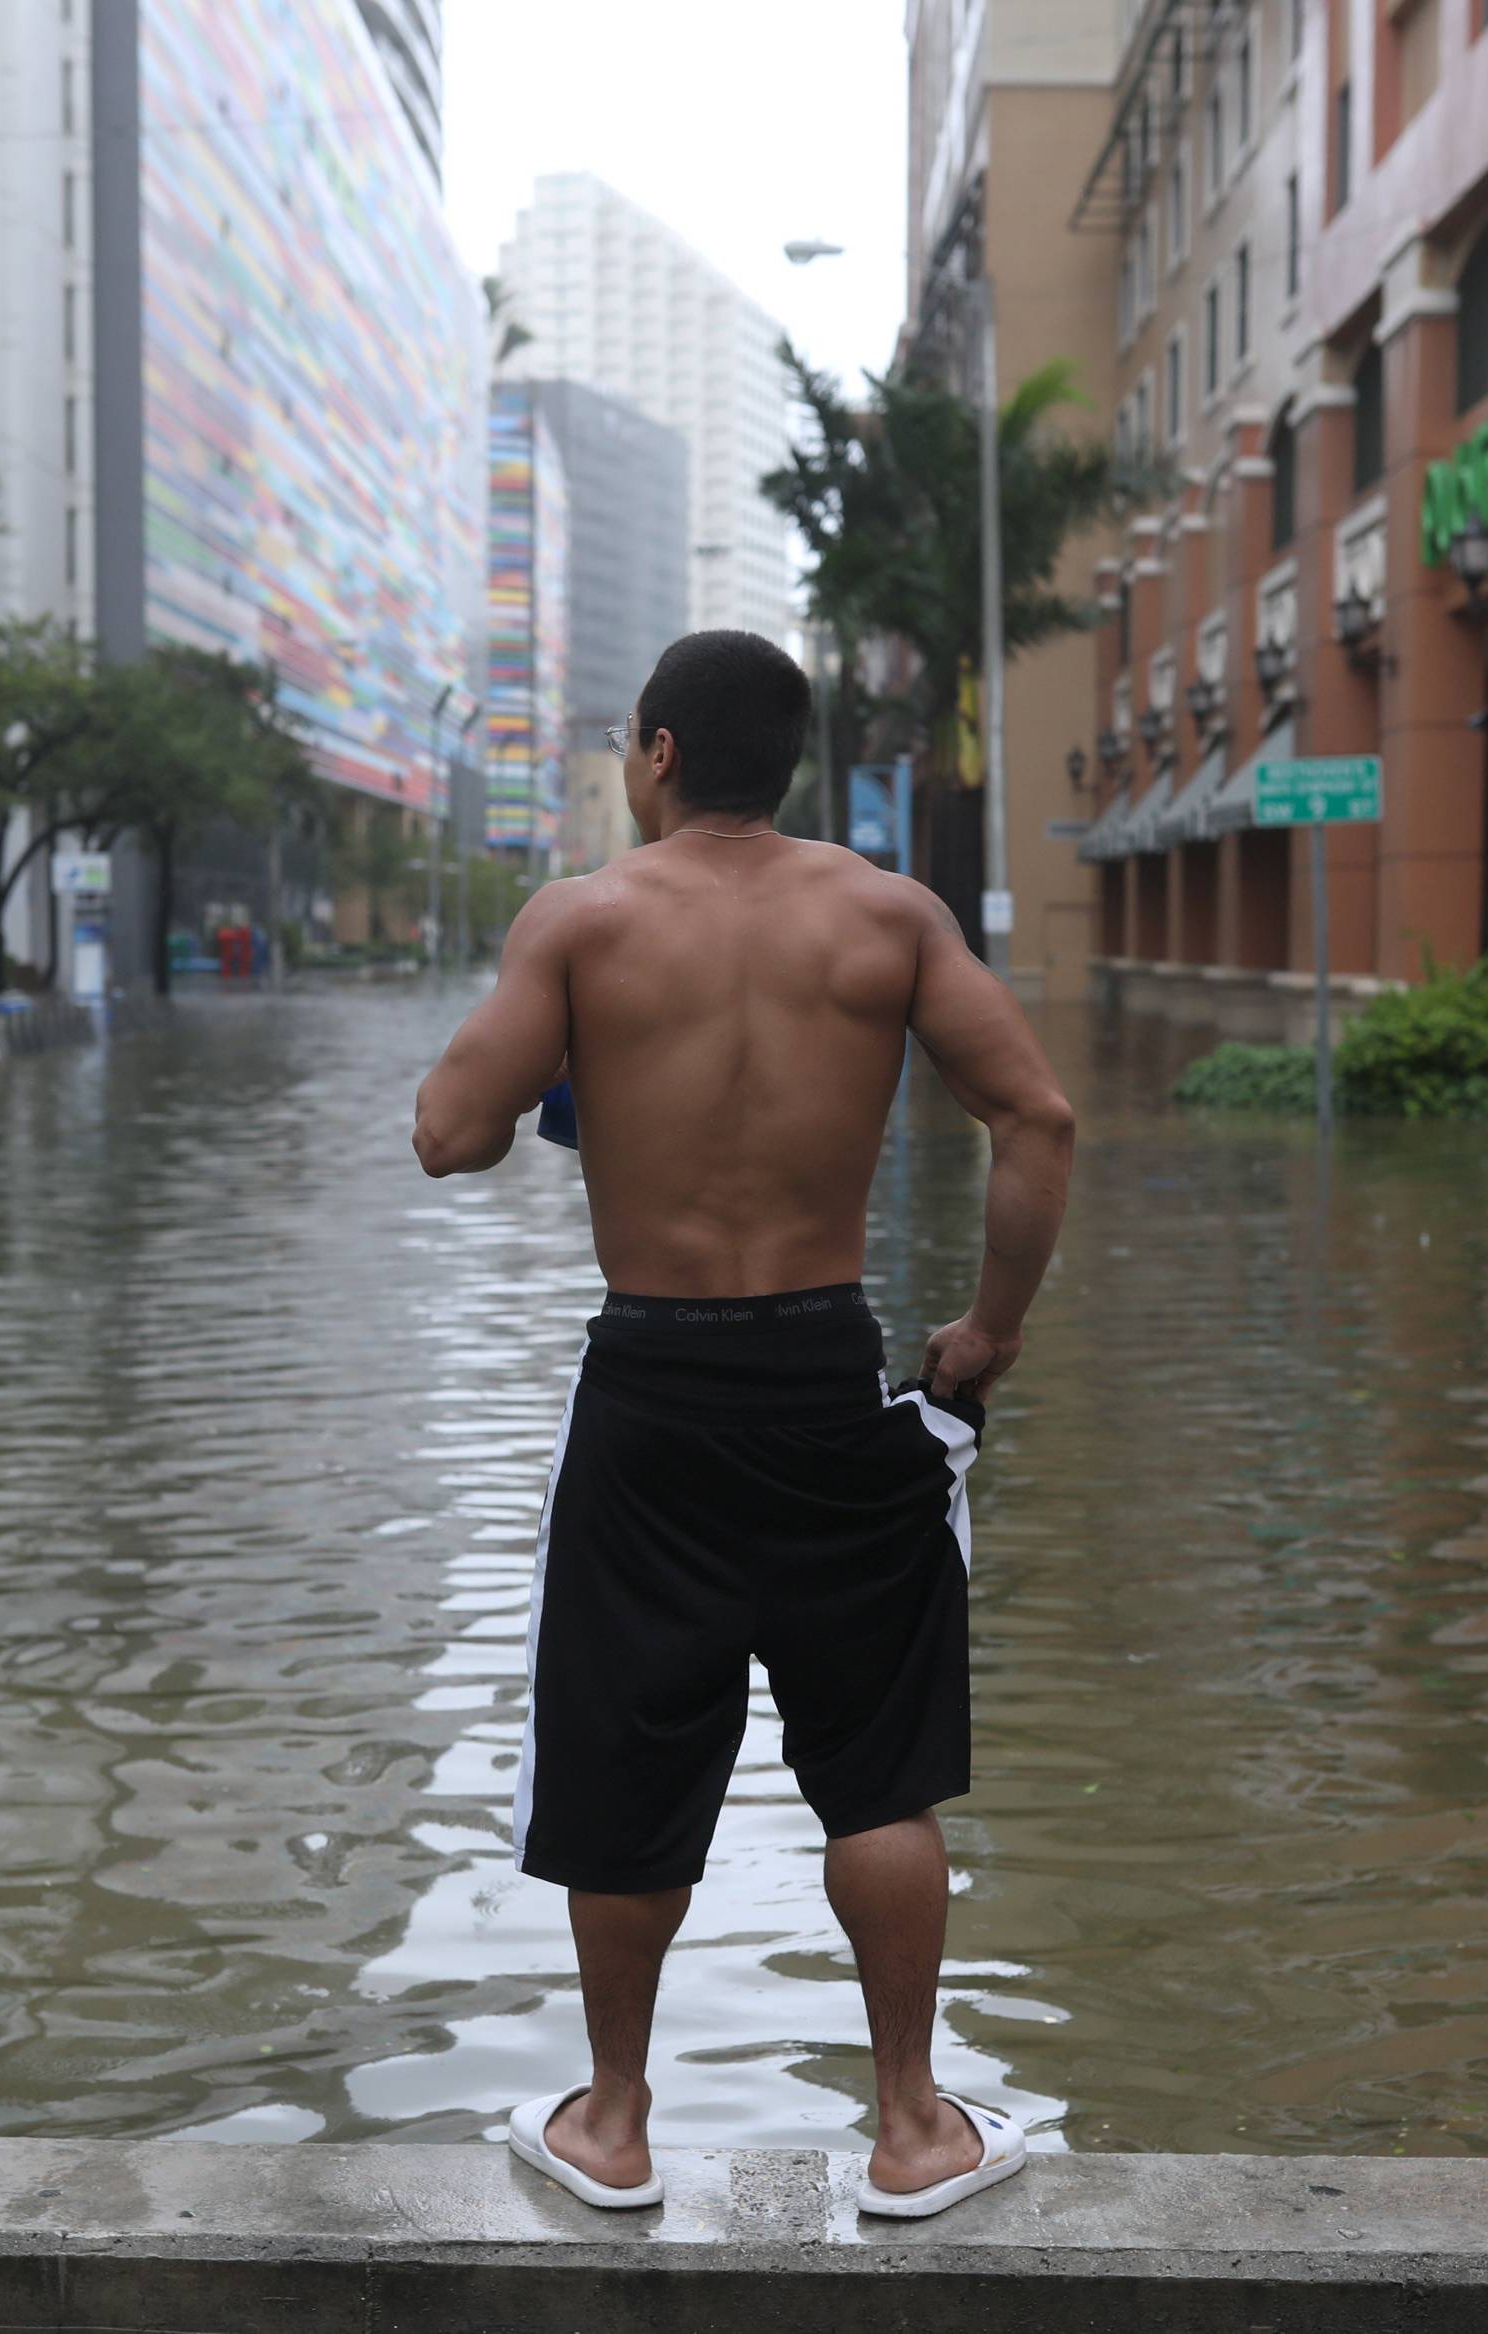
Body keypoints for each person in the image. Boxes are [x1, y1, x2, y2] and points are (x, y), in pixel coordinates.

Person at [412, 629, 1074, 2218]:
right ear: (789, 763)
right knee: (877, 1769)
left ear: (653, 755)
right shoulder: (888, 916)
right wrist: (988, 1331)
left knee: (626, 1751)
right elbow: (1036, 1116)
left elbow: (446, 1134)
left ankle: (616, 2126)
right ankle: (914, 2128)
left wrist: (566, 1065)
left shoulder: (580, 923)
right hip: (827, 1375)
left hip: (648, 1390)